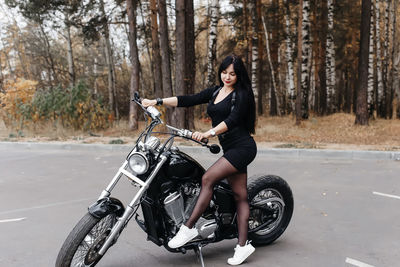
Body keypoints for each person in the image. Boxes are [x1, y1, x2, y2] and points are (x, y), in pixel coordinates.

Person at [142, 55, 257, 265]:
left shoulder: (242, 94)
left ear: (239, 75)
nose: (227, 77)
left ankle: (188, 228)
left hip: (242, 148)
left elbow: (232, 120)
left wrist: (209, 132)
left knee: (208, 179)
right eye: (224, 72)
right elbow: (188, 99)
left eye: (232, 73)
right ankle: (243, 246)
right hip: (231, 148)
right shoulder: (216, 91)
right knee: (240, 196)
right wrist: (156, 101)